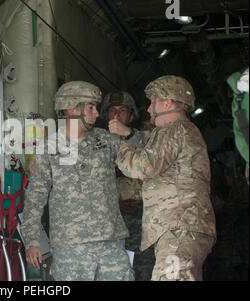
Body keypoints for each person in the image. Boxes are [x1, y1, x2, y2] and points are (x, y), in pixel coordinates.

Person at [21, 81, 139, 281]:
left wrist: (130, 133)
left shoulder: (107, 140)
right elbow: (35, 197)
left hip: (110, 242)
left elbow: (144, 160)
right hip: (70, 247)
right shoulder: (49, 149)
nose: (97, 114)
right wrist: (32, 241)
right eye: (91, 107)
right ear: (72, 108)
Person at [115, 75, 216, 281]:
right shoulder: (186, 132)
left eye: (153, 102)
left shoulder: (172, 129)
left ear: (167, 102)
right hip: (184, 227)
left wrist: (123, 148)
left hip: (179, 227)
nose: (150, 110)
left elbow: (144, 167)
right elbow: (161, 181)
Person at [102, 91, 155, 281]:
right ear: (105, 115)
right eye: (112, 111)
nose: (116, 115)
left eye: (122, 110)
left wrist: (129, 134)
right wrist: (115, 204)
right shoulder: (98, 143)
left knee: (146, 270)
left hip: (144, 218)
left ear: (131, 116)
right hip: (112, 220)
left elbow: (156, 157)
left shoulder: (145, 139)